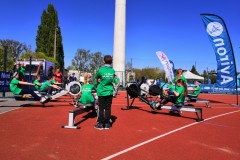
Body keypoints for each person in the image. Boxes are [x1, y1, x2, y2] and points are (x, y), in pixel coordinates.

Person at [94, 55, 115, 130]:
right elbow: (114, 79)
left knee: (101, 107)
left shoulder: (101, 70)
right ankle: (107, 124)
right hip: (109, 92)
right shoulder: (112, 70)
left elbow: (96, 77)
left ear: (104, 61)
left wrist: (97, 83)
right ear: (111, 62)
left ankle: (100, 124)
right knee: (108, 108)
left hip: (101, 91)